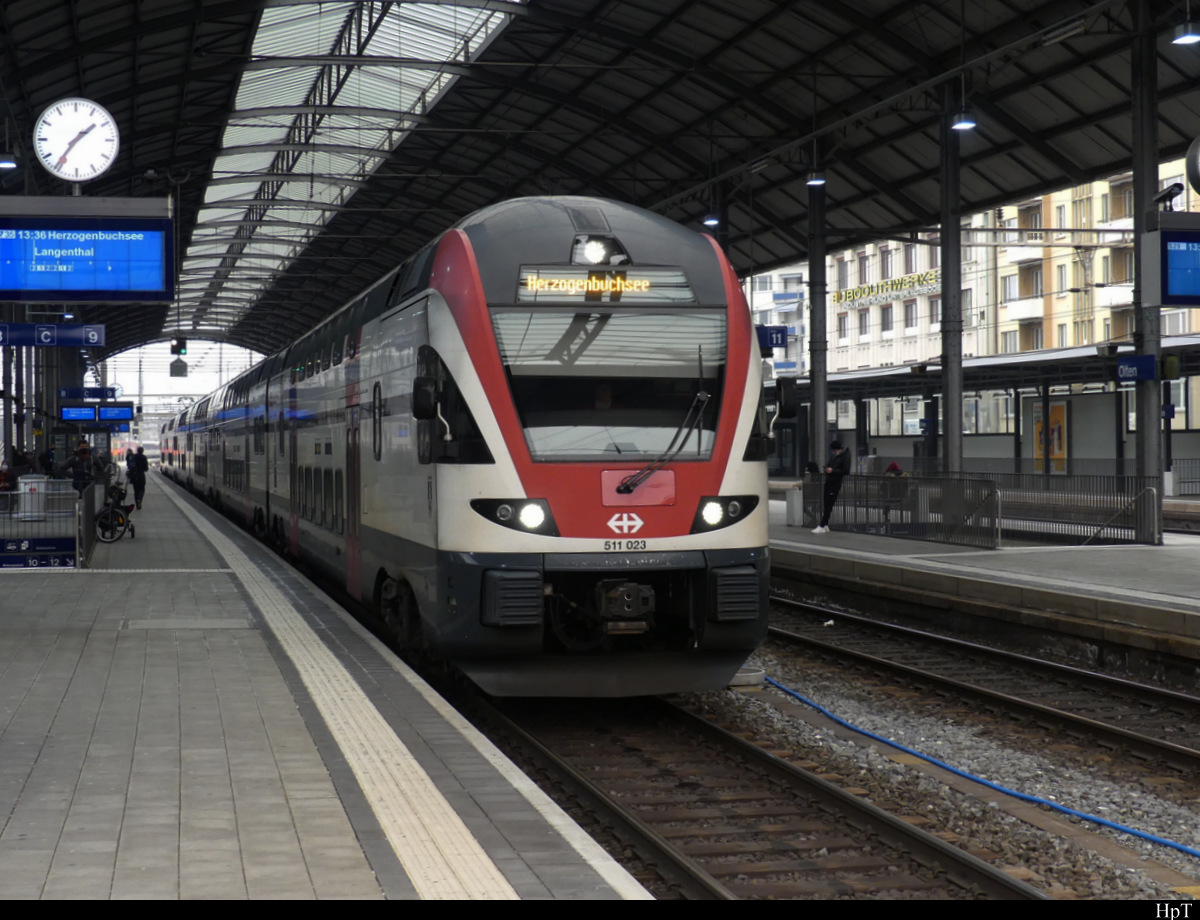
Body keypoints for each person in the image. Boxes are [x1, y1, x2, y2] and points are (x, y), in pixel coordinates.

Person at [813, 439, 851, 534]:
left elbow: (846, 470)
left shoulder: (845, 457)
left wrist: (833, 470)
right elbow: (829, 465)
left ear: (838, 449)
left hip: (835, 483)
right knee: (826, 503)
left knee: (829, 504)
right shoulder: (834, 456)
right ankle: (825, 525)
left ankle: (822, 525)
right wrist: (827, 468)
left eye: (834, 450)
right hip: (829, 481)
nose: (833, 452)